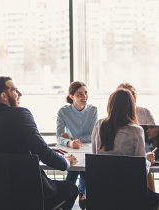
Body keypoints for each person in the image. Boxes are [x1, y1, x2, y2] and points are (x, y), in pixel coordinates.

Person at [0, 76, 79, 210]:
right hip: (31, 193)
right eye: (14, 90)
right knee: (71, 188)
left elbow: (8, 148)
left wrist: (37, 149)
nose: (19, 94)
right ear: (4, 95)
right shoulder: (21, 113)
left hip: (0, 195)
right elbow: (42, 152)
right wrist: (65, 162)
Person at [92, 89, 159, 210]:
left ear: (110, 105)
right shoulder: (136, 130)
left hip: (103, 191)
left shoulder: (99, 125)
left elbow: (95, 156)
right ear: (131, 107)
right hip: (129, 194)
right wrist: (147, 160)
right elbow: (140, 171)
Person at [56, 81, 97, 210]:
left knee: (86, 169)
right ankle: (70, 197)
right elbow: (59, 136)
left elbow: (92, 135)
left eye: (85, 93)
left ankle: (80, 193)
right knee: (73, 170)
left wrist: (72, 139)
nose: (84, 96)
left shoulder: (93, 110)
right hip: (71, 149)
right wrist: (68, 143)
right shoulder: (63, 111)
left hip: (88, 149)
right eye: (80, 94)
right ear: (71, 96)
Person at [117, 83, 157, 191]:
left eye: (132, 93)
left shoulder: (100, 125)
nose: (131, 97)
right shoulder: (136, 130)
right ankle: (149, 199)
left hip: (144, 148)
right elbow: (140, 166)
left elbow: (154, 132)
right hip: (132, 162)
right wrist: (145, 158)